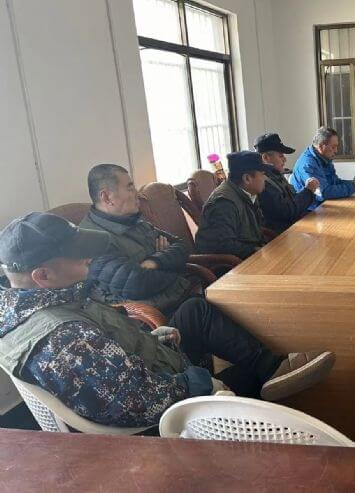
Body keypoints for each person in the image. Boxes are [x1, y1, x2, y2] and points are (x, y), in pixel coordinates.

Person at [0, 213, 336, 427]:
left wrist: (151, 338)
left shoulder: (47, 300)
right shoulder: (64, 339)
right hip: (165, 419)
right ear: (42, 275)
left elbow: (107, 351)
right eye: (77, 253)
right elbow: (137, 403)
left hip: (149, 366)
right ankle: (268, 402)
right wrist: (203, 384)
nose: (89, 256)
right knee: (248, 380)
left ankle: (272, 369)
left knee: (194, 310)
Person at [79, 164, 192, 314]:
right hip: (152, 318)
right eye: (130, 188)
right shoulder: (93, 239)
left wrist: (154, 261)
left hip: (177, 298)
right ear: (106, 197)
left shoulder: (132, 219)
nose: (137, 194)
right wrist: (173, 265)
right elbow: (137, 284)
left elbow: (181, 246)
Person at [195, 152, 269, 260]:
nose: (265, 178)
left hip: (247, 257)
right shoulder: (224, 203)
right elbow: (225, 246)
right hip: (229, 265)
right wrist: (256, 251)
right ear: (247, 178)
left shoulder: (248, 193)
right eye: (262, 174)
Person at [255, 133, 319, 233]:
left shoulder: (277, 176)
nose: (285, 159)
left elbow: (293, 201)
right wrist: (308, 191)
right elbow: (288, 212)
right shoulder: (263, 183)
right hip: (280, 235)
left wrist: (308, 191)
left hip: (292, 229)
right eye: (281, 156)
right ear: (265, 158)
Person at [290, 127, 355, 210]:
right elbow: (323, 193)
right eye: (333, 147)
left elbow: (335, 182)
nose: (336, 151)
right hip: (309, 211)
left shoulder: (325, 158)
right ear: (321, 146)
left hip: (324, 206)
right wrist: (352, 187)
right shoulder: (308, 163)